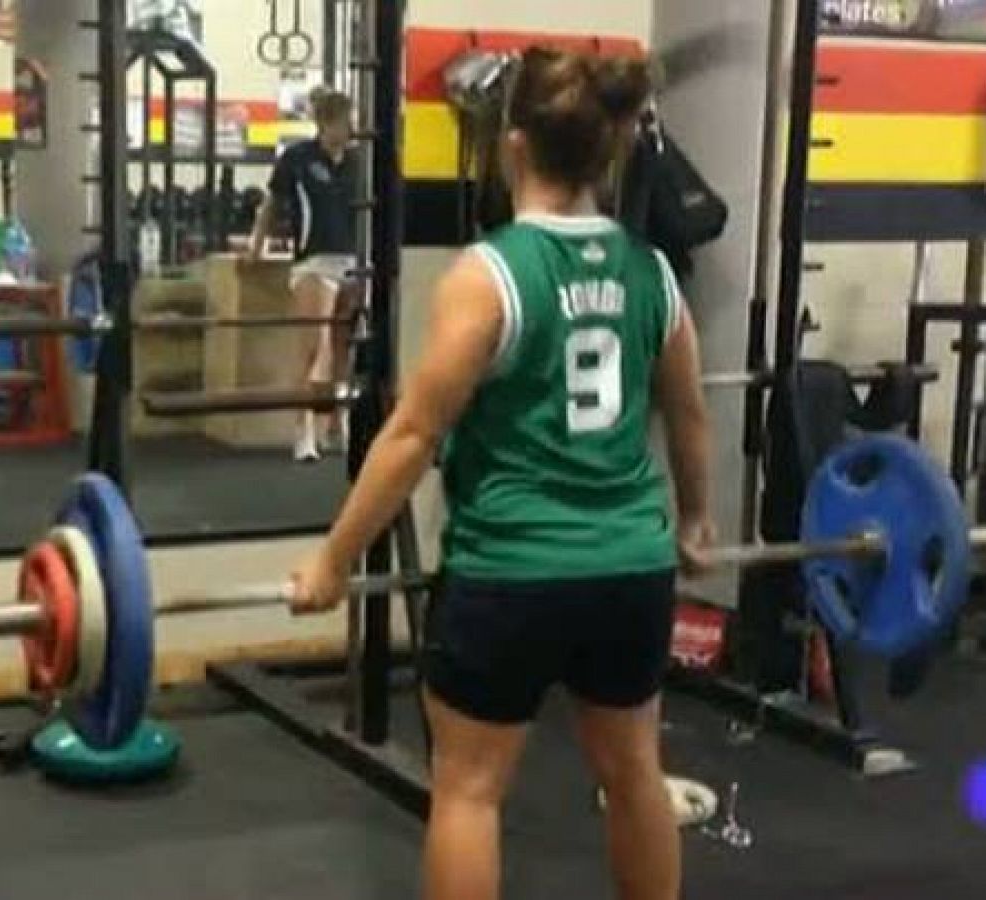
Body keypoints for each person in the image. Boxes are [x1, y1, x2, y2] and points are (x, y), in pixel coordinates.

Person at [287, 48, 715, 900]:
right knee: (634, 773)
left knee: (470, 792)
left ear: (512, 147)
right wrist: (697, 522)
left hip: (510, 573)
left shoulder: (489, 275)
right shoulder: (652, 273)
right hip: (630, 569)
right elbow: (690, 415)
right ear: (613, 150)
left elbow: (412, 434)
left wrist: (334, 560)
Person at [244, 86, 360, 462]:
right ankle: (303, 429)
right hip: (313, 261)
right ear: (325, 123)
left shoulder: (360, 162)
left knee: (344, 346)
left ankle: (337, 425)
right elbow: (271, 205)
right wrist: (255, 246)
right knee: (311, 348)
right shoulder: (297, 159)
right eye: (344, 121)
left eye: (351, 121)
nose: (350, 128)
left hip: (353, 262)